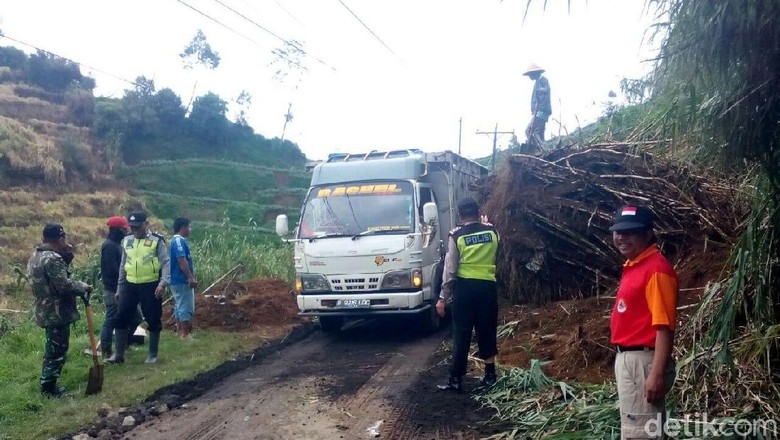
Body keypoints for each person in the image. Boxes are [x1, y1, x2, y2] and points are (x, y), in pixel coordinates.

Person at [609, 205, 678, 439]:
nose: (621, 237)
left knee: (642, 433)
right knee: (637, 429)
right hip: (630, 359)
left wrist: (656, 373)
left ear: (648, 234)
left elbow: (664, 327)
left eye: (630, 231)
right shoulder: (636, 266)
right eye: (618, 232)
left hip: (643, 361)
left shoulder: (656, 270)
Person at [436, 197, 500, 393]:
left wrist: (442, 297)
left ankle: (455, 379)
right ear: (478, 212)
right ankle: (490, 375)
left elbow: (451, 270)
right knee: (487, 329)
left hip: (465, 290)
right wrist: (486, 224)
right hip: (488, 288)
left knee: (462, 332)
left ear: (460, 215)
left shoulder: (456, 236)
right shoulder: (493, 231)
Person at [27, 224, 92, 397]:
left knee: (52, 347)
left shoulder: (35, 255)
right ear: (60, 239)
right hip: (56, 311)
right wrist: (82, 286)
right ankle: (48, 388)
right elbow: (63, 285)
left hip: (43, 309)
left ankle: (47, 384)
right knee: (57, 351)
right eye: (64, 239)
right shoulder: (53, 259)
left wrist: (66, 258)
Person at [107, 211, 170, 364]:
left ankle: (152, 354)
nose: (134, 230)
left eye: (137, 227)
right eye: (132, 227)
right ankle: (119, 354)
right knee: (121, 317)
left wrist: (163, 283)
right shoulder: (127, 240)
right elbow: (123, 265)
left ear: (145, 225)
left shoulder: (156, 240)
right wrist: (119, 288)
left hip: (150, 285)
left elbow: (166, 263)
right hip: (130, 285)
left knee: (153, 318)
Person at [99, 216, 142, 358]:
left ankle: (123, 344)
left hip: (123, 289)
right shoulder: (109, 246)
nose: (126, 231)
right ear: (117, 230)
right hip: (113, 290)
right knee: (111, 319)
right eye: (124, 229)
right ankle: (105, 350)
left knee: (135, 318)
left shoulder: (117, 245)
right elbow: (113, 270)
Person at [170, 217, 197, 339]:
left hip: (177, 280)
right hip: (181, 280)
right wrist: (190, 278)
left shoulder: (176, 241)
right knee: (185, 306)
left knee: (179, 305)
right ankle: (185, 334)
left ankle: (180, 331)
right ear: (183, 228)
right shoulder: (179, 241)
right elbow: (182, 260)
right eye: (189, 227)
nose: (190, 230)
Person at [522, 63, 552, 155]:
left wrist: (542, 90)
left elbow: (547, 89)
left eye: (531, 74)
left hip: (541, 111)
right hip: (538, 111)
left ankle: (543, 150)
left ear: (535, 73)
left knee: (531, 131)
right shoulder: (537, 82)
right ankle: (541, 150)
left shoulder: (543, 79)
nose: (530, 76)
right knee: (539, 133)